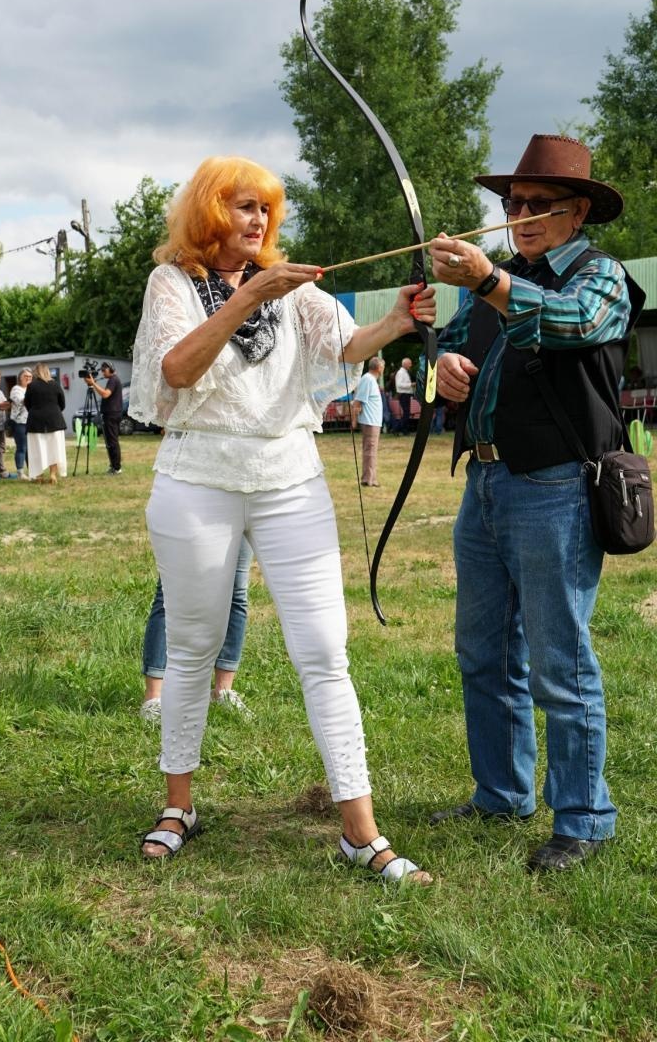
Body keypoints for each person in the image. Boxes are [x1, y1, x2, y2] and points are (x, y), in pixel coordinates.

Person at [128, 155, 436, 883]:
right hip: (198, 478)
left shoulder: (291, 288)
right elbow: (177, 368)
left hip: (290, 478)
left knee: (326, 650)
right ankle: (178, 807)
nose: (258, 221)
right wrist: (250, 293)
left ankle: (360, 832)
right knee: (194, 649)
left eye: (265, 209)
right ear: (210, 213)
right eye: (243, 207)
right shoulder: (173, 282)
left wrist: (395, 319)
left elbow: (348, 346)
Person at [426, 134, 644, 872]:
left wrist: (488, 277)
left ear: (577, 212)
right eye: (511, 203)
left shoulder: (601, 275)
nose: (518, 214)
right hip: (485, 483)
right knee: (482, 652)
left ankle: (584, 816)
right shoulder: (502, 276)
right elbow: (454, 342)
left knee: (560, 661)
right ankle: (501, 792)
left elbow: (571, 323)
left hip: (555, 486)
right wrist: (445, 365)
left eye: (536, 205)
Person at [140, 537, 253, 721]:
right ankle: (154, 697)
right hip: (190, 511)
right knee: (170, 592)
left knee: (236, 592)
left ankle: (222, 691)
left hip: (241, 509)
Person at [24, 363, 67, 485]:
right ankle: (53, 474)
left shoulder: (31, 386)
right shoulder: (55, 385)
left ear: (36, 372)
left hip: (36, 421)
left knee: (37, 449)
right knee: (54, 449)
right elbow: (62, 404)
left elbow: (27, 403)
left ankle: (39, 475)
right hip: (55, 420)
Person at [84, 361, 124, 475]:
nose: (102, 372)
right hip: (111, 413)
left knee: (112, 441)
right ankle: (114, 466)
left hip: (112, 414)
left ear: (111, 369)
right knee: (110, 441)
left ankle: (117, 467)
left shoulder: (113, 380)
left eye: (104, 370)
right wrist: (92, 382)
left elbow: (106, 394)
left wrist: (93, 384)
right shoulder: (112, 380)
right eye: (101, 370)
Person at [351, 356, 385, 486]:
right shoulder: (368, 380)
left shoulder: (370, 380)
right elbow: (357, 401)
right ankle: (368, 479)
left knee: (371, 450)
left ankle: (370, 478)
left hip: (373, 421)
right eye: (382, 366)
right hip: (370, 421)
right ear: (378, 367)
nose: (383, 369)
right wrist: (354, 421)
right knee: (370, 451)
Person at [9, 368, 33, 478]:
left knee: (30, 448)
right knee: (22, 447)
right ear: (20, 378)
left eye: (30, 377)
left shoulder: (31, 389)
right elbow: (20, 400)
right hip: (19, 422)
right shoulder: (16, 389)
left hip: (31, 422)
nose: (28, 378)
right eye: (26, 376)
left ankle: (32, 471)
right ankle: (20, 472)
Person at [392, 357, 414, 434]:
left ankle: (403, 430)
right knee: (406, 413)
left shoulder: (404, 372)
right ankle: (397, 429)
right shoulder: (401, 373)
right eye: (409, 363)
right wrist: (411, 384)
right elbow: (399, 385)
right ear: (405, 364)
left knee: (406, 413)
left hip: (406, 394)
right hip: (403, 394)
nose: (411, 365)